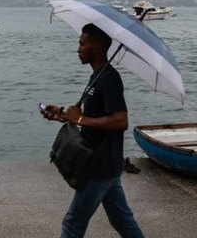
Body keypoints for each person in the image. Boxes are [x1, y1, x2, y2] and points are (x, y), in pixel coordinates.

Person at [41, 23, 145, 238]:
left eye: (82, 43)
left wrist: (80, 118)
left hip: (99, 165)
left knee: (72, 223)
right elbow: (92, 119)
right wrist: (61, 113)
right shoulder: (96, 78)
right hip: (106, 163)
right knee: (122, 220)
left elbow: (120, 121)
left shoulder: (109, 79)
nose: (78, 48)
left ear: (96, 47)